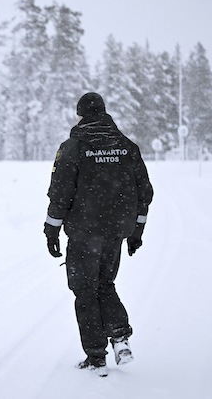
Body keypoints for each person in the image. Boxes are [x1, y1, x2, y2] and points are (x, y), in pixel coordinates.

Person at [44, 92, 154, 377]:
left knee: (84, 291)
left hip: (84, 233)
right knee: (104, 283)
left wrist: (51, 230)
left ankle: (96, 357)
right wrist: (136, 231)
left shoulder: (74, 148)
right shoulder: (127, 147)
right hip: (115, 232)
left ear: (81, 115)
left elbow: (60, 193)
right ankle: (119, 336)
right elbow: (145, 193)